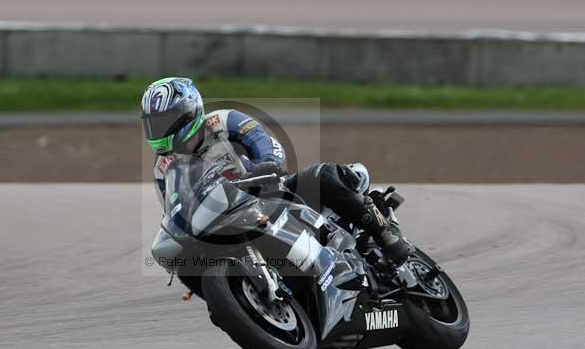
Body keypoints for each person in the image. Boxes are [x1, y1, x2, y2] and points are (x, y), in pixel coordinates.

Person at [141, 77, 412, 266]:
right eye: (154, 124)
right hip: (228, 221)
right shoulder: (163, 168)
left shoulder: (224, 121)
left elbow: (264, 141)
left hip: (271, 192)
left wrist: (267, 166)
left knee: (321, 175)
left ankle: (385, 233)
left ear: (189, 114)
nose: (159, 131)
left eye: (164, 121)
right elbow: (174, 211)